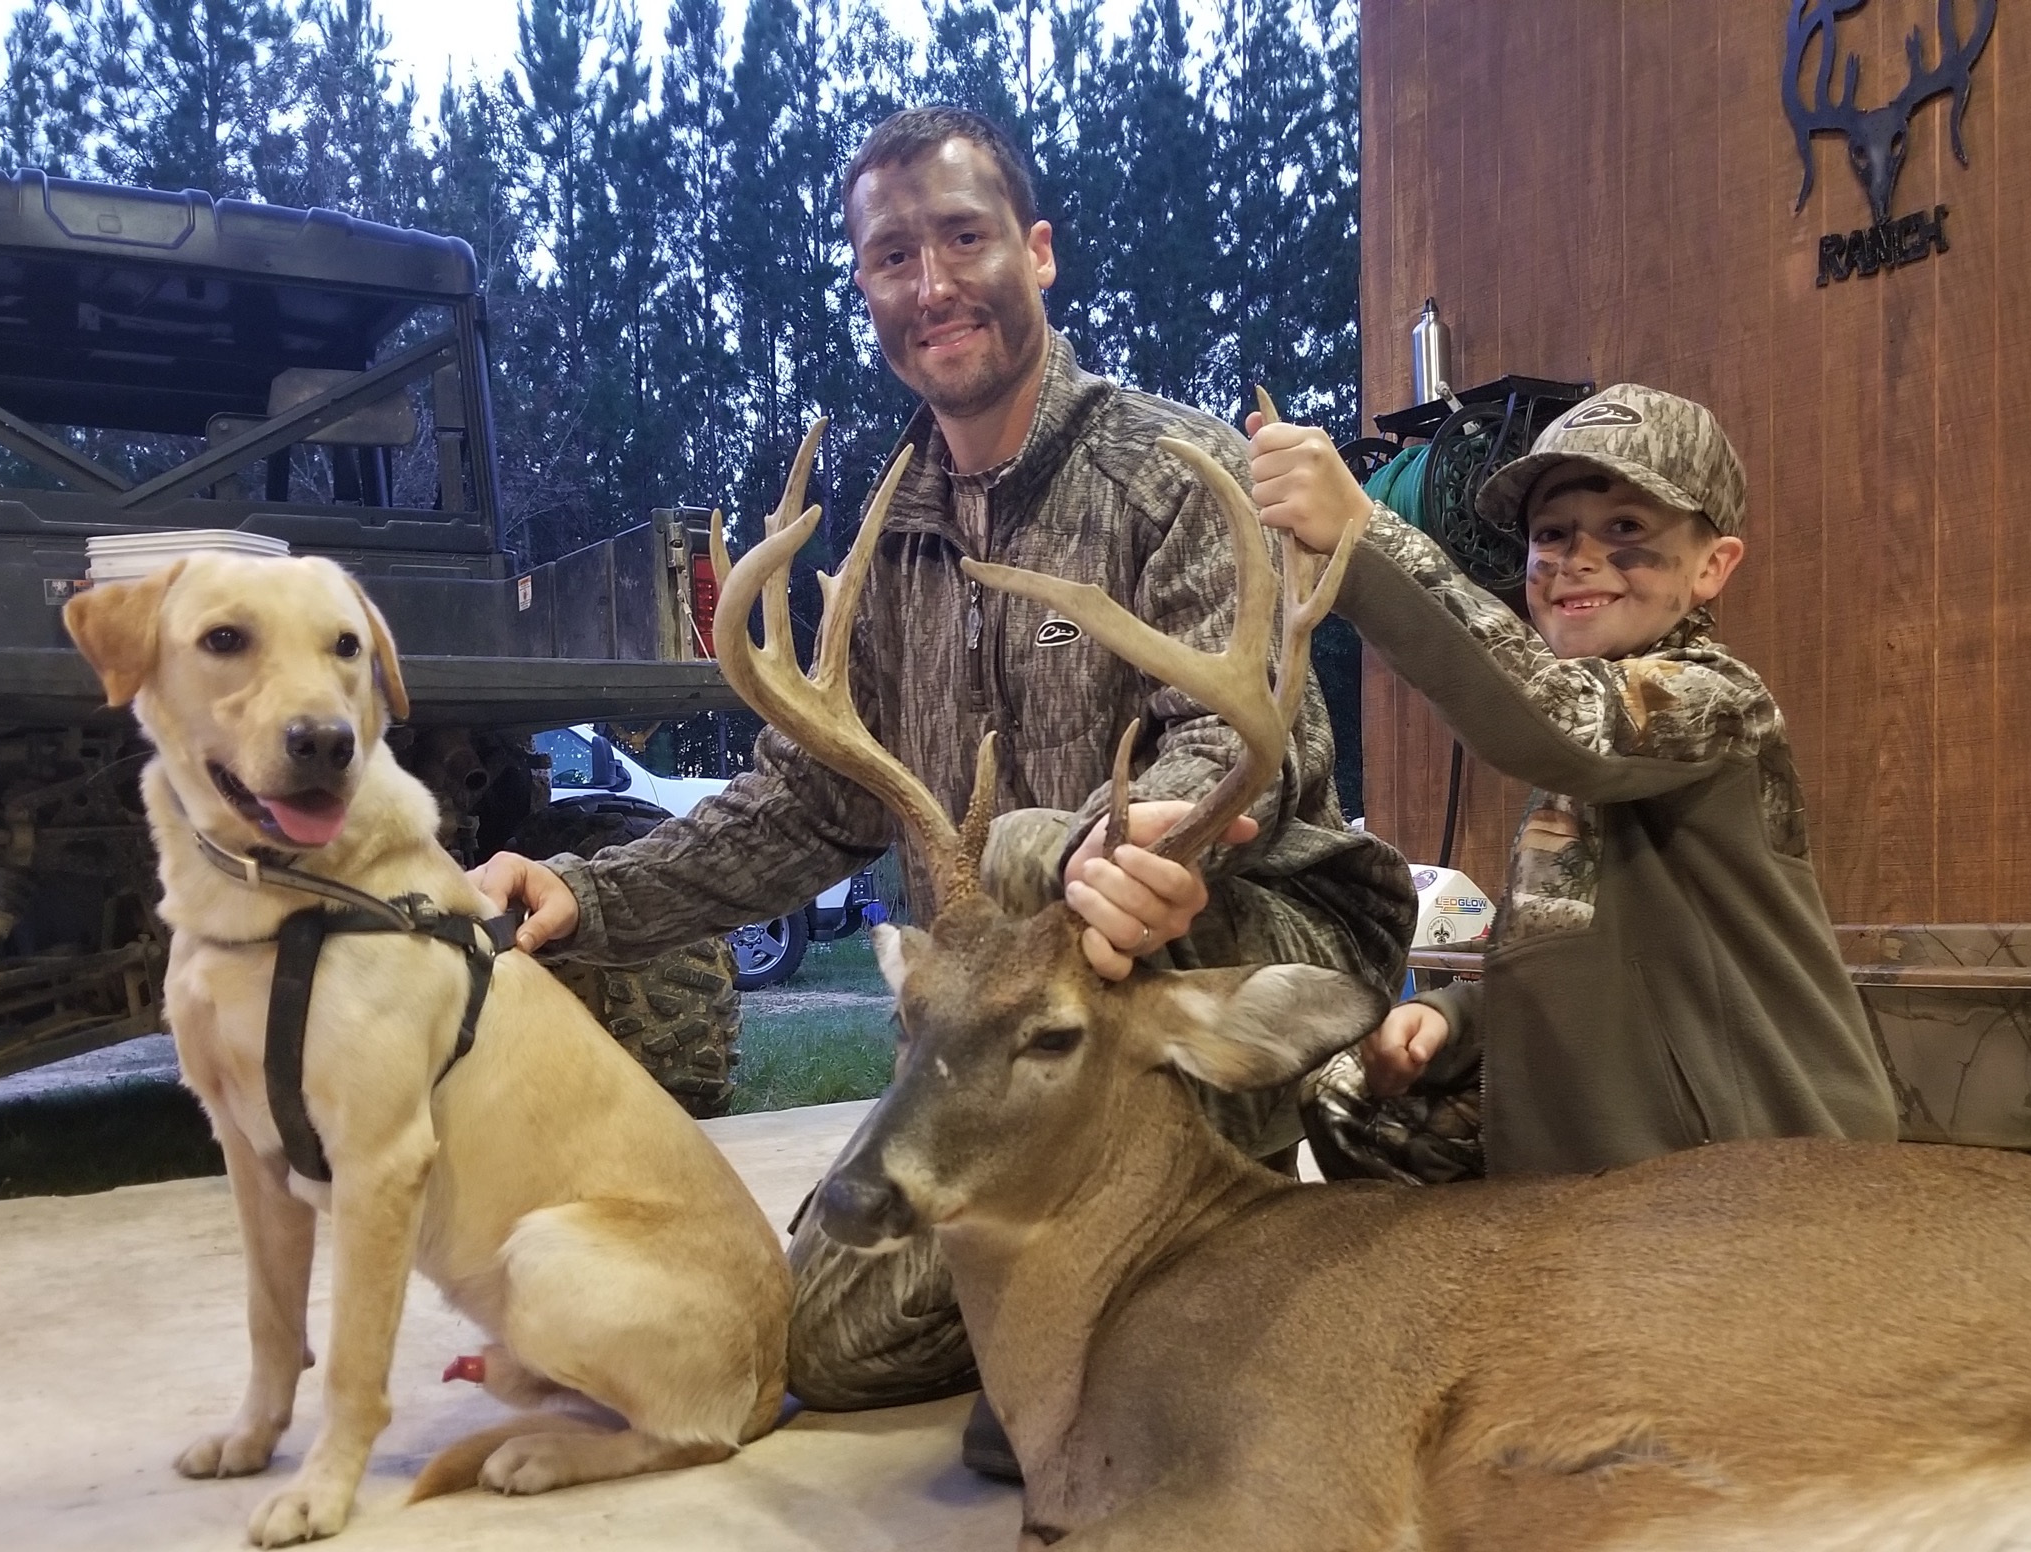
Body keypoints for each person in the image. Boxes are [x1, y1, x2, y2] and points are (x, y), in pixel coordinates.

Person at [469, 105, 1414, 1455]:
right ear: (866, 284)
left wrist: (1144, 837)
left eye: (963, 239)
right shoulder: (895, 536)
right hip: (1005, 1028)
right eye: (892, 256)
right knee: (822, 1346)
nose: (931, 285)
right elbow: (803, 803)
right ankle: (1059, 1289)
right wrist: (585, 894)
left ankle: (1199, 1287)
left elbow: (1239, 737)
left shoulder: (1170, 471)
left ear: (1037, 252)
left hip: (1220, 940)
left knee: (1063, 885)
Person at [1247, 382, 1896, 1179]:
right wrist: (1456, 1018)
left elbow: (1555, 715)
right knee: (1347, 1100)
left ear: (1713, 566)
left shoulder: (1718, 703)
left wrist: (1364, 536)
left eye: (1626, 529)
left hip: (1768, 1171)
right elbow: (1590, 975)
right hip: (1607, 1184)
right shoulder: (1577, 764)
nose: (1577, 558)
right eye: (1551, 533)